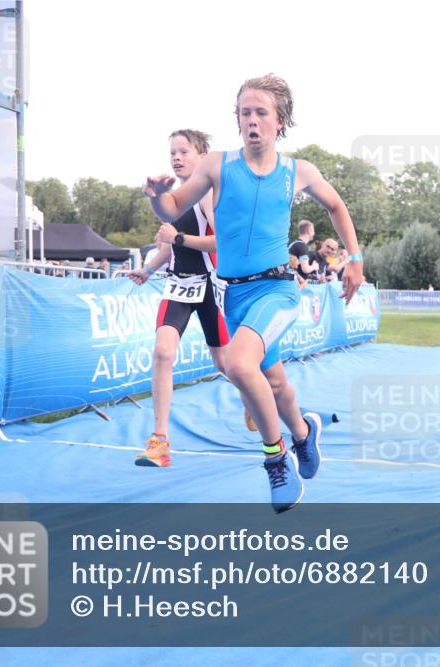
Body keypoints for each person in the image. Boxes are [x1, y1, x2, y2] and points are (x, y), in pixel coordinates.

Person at [144, 74, 365, 513]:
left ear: (279, 120)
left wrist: (355, 260)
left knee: (240, 365)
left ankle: (276, 459)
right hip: (235, 294)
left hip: (278, 290)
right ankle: (304, 432)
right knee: (275, 381)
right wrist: (156, 197)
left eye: (261, 112)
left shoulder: (297, 171)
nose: (252, 120)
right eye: (245, 112)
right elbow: (171, 209)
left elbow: (337, 206)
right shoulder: (215, 165)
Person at [129, 129, 232, 467]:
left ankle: (256, 403)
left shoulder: (207, 196)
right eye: (172, 151)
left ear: (201, 157)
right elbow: (167, 243)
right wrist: (148, 271)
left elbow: (221, 243)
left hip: (210, 285)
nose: (176, 157)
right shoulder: (175, 197)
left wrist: (180, 238)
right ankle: (160, 440)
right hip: (178, 285)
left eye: (184, 151)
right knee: (162, 352)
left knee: (226, 364)